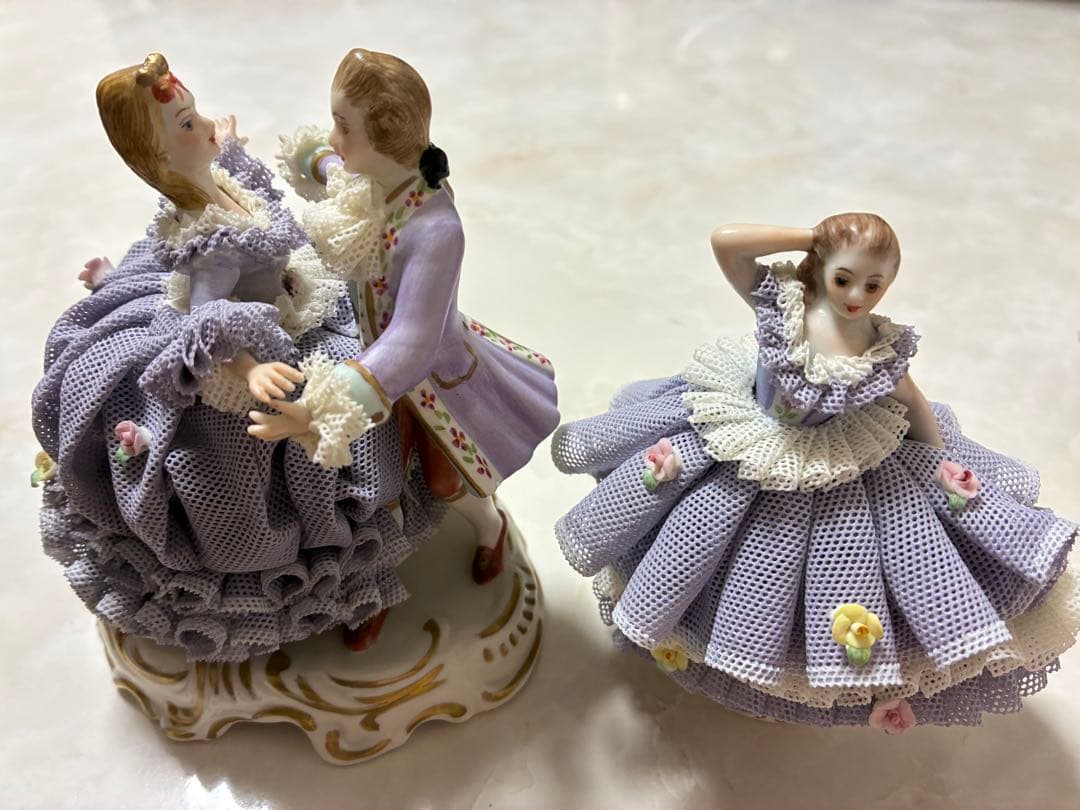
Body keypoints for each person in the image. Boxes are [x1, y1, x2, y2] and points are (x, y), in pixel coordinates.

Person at [552, 213, 1078, 730]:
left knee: (823, 570)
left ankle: (778, 662)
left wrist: (939, 463)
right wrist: (813, 237)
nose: (857, 295)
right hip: (744, 438)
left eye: (874, 285)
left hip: (836, 461)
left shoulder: (877, 349)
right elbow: (726, 242)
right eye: (844, 278)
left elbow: (913, 402)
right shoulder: (788, 307)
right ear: (822, 266)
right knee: (699, 535)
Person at [31, 54, 439, 662]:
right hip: (249, 344)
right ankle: (347, 588)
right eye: (187, 125)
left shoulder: (218, 183)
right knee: (300, 456)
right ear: (159, 157)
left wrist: (222, 144)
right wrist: (250, 368)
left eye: (195, 112)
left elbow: (247, 196)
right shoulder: (210, 245)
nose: (205, 127)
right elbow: (206, 318)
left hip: (289, 295)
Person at [261, 49, 560, 593]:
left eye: (343, 126)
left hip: (429, 381)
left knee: (449, 478)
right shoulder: (371, 180)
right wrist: (304, 156)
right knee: (378, 480)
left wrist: (327, 402)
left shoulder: (436, 228)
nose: (334, 138)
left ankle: (489, 527)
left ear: (385, 134)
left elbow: (413, 341)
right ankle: (379, 575)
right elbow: (328, 169)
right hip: (368, 357)